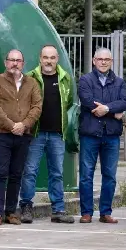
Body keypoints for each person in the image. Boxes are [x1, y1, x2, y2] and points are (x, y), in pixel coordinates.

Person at [19, 44, 77, 224]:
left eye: (52, 58)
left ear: (57, 59)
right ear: (40, 59)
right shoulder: (30, 78)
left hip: (57, 134)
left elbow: (67, 103)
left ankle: (58, 210)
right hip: (35, 133)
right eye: (45, 58)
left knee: (57, 173)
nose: (49, 61)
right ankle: (26, 207)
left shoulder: (65, 78)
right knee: (29, 171)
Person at [0, 49, 43, 226]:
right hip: (2, 135)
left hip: (23, 136)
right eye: (11, 60)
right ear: (5, 63)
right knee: (0, 174)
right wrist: (12, 126)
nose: (15, 64)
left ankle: (11, 212)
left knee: (17, 174)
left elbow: (37, 107)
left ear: (23, 64)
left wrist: (24, 125)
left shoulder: (31, 83)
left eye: (18, 61)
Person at [76, 47, 126, 224]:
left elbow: (125, 102)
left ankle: (105, 212)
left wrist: (106, 108)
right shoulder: (85, 80)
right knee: (86, 175)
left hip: (111, 135)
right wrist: (113, 112)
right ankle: (86, 212)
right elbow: (87, 100)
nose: (103, 62)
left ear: (111, 61)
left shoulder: (119, 82)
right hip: (90, 134)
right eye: (100, 59)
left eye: (107, 59)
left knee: (110, 176)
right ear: (94, 60)